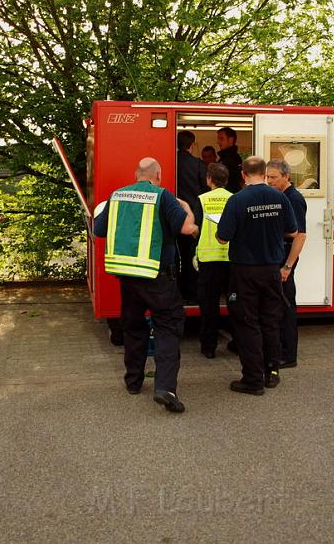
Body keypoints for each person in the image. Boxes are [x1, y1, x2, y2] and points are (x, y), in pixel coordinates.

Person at [93, 157, 198, 413]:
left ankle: (133, 382)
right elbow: (187, 228)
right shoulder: (164, 196)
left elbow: (99, 229)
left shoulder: (117, 196)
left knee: (133, 328)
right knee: (168, 327)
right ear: (158, 175)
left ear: (136, 174)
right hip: (158, 276)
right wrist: (186, 208)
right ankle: (165, 388)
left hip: (127, 277)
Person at [216, 156, 297, 395]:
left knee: (247, 323)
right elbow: (292, 230)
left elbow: (223, 237)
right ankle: (272, 372)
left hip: (245, 271)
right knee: (270, 321)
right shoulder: (279, 197)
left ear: (243, 174)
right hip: (272, 269)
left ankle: (252, 380)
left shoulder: (237, 200)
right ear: (263, 173)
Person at [266, 159, 307, 369]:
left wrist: (287, 267)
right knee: (278, 306)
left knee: (287, 306)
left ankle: (288, 355)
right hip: (279, 255)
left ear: (286, 176)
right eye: (267, 177)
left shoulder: (294, 199)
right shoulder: (280, 196)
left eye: (273, 177)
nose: (269, 181)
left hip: (286, 258)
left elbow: (300, 236)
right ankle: (279, 348)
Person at [192, 162, 231, 359]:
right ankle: (238, 342)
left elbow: (195, 227)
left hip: (208, 259)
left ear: (209, 179)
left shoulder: (201, 200)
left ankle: (209, 347)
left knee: (209, 305)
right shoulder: (235, 199)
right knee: (235, 303)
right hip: (231, 259)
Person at [176, 130, 208, 301]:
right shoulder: (198, 164)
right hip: (193, 217)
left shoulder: (171, 161)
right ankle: (191, 292)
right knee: (192, 255)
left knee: (176, 255)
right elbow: (205, 189)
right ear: (192, 145)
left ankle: (177, 289)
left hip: (173, 215)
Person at [217, 127, 243, 194]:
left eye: (221, 139)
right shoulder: (223, 158)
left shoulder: (233, 159)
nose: (218, 142)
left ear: (231, 140)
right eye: (218, 139)